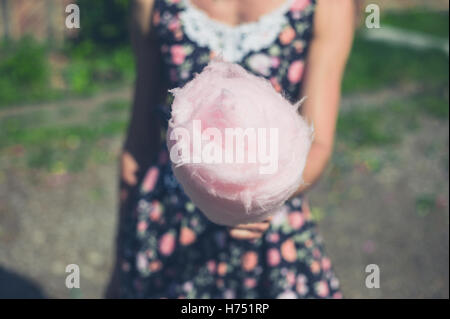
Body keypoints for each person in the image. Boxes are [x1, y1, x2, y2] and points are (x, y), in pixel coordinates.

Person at [106, 0, 355, 298]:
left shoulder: (327, 5)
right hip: (168, 223)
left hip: (268, 225)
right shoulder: (152, 4)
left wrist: (264, 199)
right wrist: (121, 261)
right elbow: (140, 143)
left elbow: (319, 143)